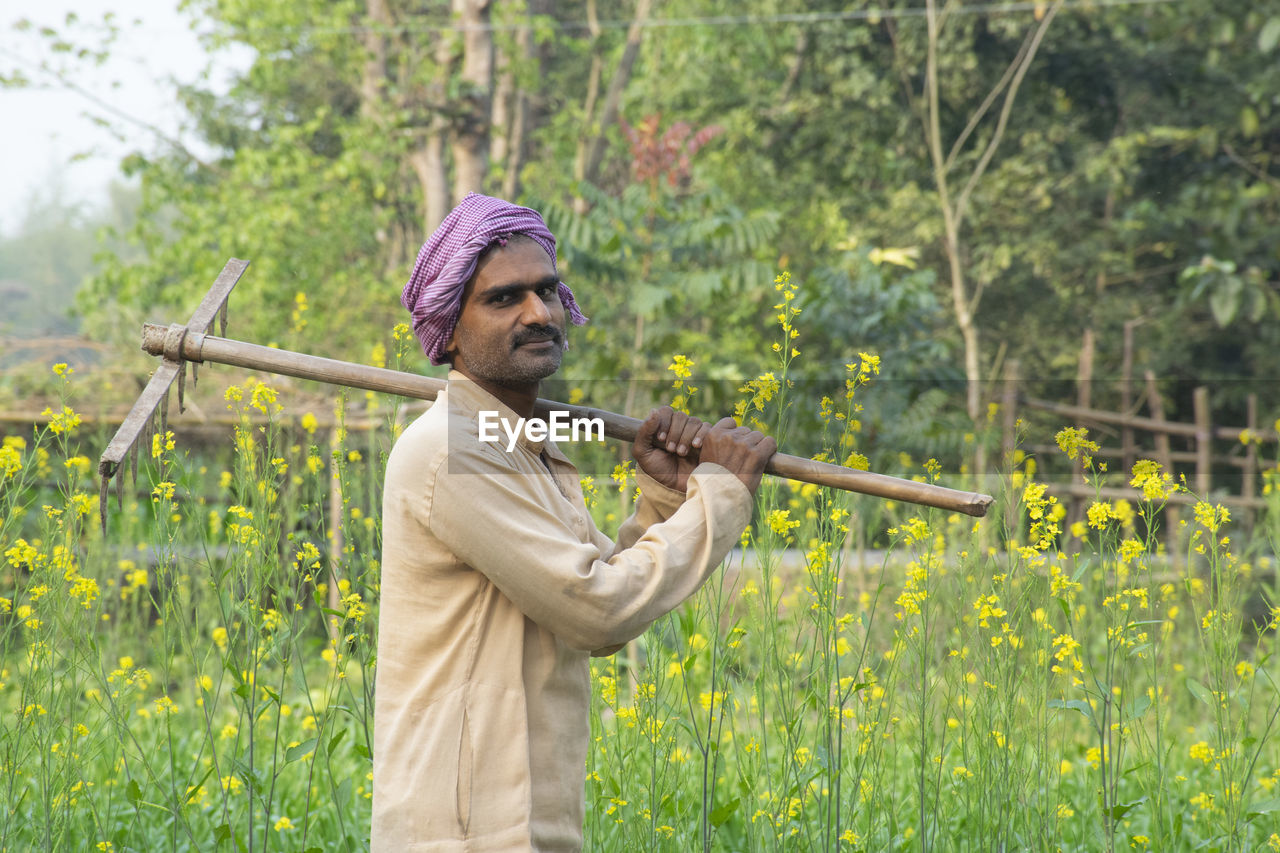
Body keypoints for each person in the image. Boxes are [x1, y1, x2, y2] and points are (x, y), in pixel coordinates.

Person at [372, 192, 775, 851]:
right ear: (449, 327)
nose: (538, 313)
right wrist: (722, 494)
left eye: (547, 290)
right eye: (504, 299)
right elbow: (599, 610)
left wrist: (664, 499)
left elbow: (590, 601)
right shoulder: (453, 450)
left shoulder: (518, 442)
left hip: (526, 822)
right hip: (463, 832)